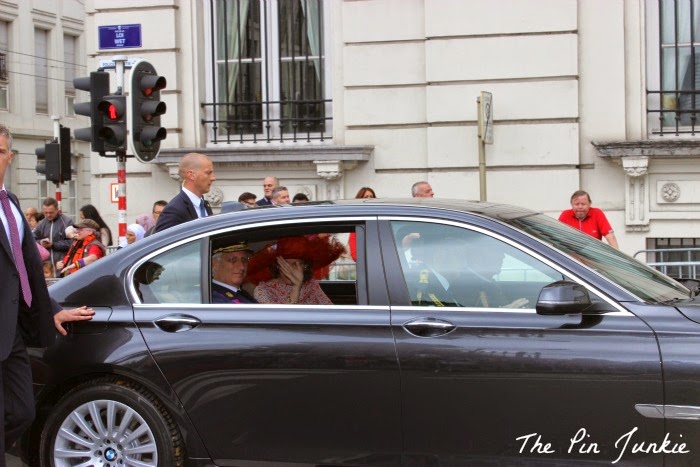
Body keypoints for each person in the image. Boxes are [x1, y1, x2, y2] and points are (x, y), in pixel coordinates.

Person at [0, 124, 94, 463]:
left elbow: (26, 267)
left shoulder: (9, 202)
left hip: (12, 331)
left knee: (22, 412)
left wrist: (50, 307)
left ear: (10, 157)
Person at [247, 235, 345, 305]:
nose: (296, 269)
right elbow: (283, 324)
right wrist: (296, 287)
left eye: (300, 264)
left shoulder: (311, 285)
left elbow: (330, 312)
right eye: (290, 264)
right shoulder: (264, 291)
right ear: (278, 265)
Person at [155, 153, 215, 233]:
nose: (213, 178)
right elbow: (162, 242)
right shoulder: (174, 211)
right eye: (208, 173)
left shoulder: (204, 205)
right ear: (191, 175)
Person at [33, 197, 74, 275]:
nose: (48, 215)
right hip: (46, 269)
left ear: (57, 210)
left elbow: (72, 243)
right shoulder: (41, 224)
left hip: (62, 266)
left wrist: (53, 244)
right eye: (46, 212)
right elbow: (32, 240)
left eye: (51, 212)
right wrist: (40, 242)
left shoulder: (67, 222)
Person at [348, 187, 377, 260]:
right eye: (366, 197)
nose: (370, 199)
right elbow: (355, 255)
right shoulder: (356, 221)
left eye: (371, 197)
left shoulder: (379, 219)